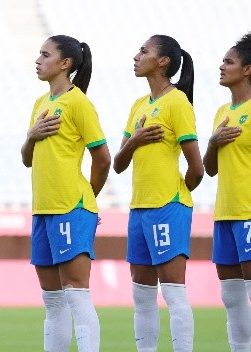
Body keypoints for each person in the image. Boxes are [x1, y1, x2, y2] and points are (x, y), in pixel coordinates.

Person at [113, 35, 204, 351]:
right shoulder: (139, 106)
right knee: (141, 294)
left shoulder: (177, 102)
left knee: (174, 291)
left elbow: (197, 169)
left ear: (163, 61)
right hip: (139, 208)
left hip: (167, 206)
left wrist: (174, 197)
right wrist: (134, 141)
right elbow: (119, 164)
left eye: (144, 51)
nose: (137, 56)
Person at [21, 35, 111, 352]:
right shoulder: (40, 104)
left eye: (45, 55)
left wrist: (88, 200)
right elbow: (27, 158)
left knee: (76, 293)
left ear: (65, 64)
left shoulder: (78, 103)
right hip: (43, 210)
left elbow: (103, 158)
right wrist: (31, 136)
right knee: (53, 301)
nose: (38, 60)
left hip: (70, 208)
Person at [203, 32, 251, 351]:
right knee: (231, 297)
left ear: (247, 69)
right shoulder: (222, 113)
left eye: (229, 62)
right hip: (225, 214)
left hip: (249, 213)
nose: (222, 66)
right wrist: (213, 142)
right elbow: (211, 168)